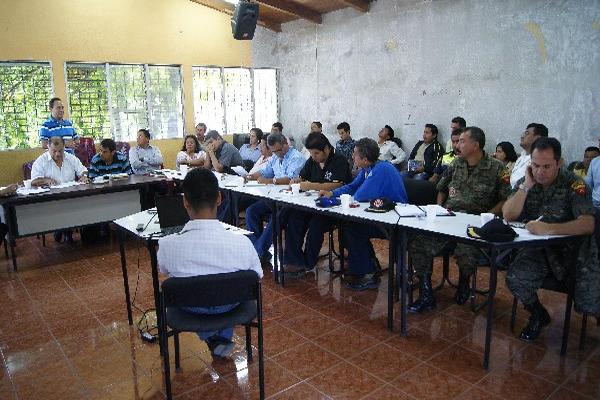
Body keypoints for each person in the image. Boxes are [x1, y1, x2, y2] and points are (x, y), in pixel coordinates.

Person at [157, 168, 262, 359]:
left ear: (185, 202)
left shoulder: (166, 245)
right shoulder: (243, 243)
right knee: (223, 286)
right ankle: (219, 338)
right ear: (220, 199)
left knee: (201, 285)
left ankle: (211, 337)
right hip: (230, 306)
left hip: (190, 307)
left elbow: (164, 270)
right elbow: (257, 277)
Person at [504, 137, 599, 342]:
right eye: (536, 165)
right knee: (515, 278)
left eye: (547, 166)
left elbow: (588, 224)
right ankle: (538, 314)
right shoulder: (529, 180)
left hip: (570, 254)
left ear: (559, 162)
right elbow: (508, 214)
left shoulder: (575, 185)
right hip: (538, 251)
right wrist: (526, 187)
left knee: (590, 303)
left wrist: (550, 228)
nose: (540, 171)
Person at [408, 127, 511, 313]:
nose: (457, 144)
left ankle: (464, 282)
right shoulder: (456, 164)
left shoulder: (497, 168)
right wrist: (440, 208)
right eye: (457, 141)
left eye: (462, 141)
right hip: (449, 219)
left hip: (475, 224)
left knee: (466, 251)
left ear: (475, 145)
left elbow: (505, 199)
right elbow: (441, 188)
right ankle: (425, 292)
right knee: (419, 242)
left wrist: (486, 218)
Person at [319, 138, 408, 290]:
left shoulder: (381, 170)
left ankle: (368, 273)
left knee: (353, 228)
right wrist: (331, 193)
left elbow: (359, 195)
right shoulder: (368, 168)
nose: (352, 157)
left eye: (355, 154)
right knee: (349, 225)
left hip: (394, 221)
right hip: (379, 214)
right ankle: (368, 265)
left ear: (365, 159)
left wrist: (339, 198)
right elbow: (352, 186)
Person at [284, 133, 352, 274]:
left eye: (316, 153)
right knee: (295, 218)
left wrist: (310, 186)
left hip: (333, 208)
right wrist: (297, 181)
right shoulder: (313, 161)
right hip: (311, 205)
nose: (313, 157)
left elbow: (337, 185)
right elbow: (303, 176)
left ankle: (309, 263)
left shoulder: (339, 160)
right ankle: (294, 260)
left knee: (316, 224)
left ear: (326, 149)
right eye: (311, 153)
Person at [245, 133, 305, 262]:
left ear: (285, 144)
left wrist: (271, 181)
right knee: (251, 211)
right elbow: (264, 172)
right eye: (273, 151)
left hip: (290, 200)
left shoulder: (296, 157)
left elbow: (291, 178)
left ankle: (258, 252)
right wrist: (248, 176)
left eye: (278, 150)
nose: (276, 154)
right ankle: (258, 250)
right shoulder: (274, 157)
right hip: (274, 197)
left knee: (276, 217)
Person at [31, 136, 89, 243]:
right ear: (48, 147)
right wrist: (46, 180)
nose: (57, 154)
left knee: (79, 205)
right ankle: (62, 230)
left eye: (60, 150)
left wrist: (83, 176)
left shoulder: (71, 158)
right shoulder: (41, 161)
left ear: (64, 147)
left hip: (70, 196)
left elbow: (83, 171)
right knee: (61, 208)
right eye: (54, 151)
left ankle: (64, 230)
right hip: (51, 199)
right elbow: (34, 181)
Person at [510, 123, 548, 188]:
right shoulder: (522, 156)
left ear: (538, 138)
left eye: (526, 133)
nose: (522, 136)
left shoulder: (542, 160)